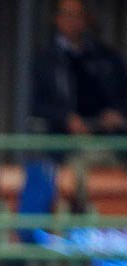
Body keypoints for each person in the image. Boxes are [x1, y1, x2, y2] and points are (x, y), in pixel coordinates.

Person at [28, 0, 127, 212]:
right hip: (66, 146)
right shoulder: (45, 60)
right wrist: (66, 119)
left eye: (78, 15)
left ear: (87, 19)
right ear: (56, 19)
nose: (73, 21)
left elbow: (122, 97)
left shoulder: (107, 58)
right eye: (67, 15)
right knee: (71, 179)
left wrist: (117, 116)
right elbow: (38, 106)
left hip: (111, 142)